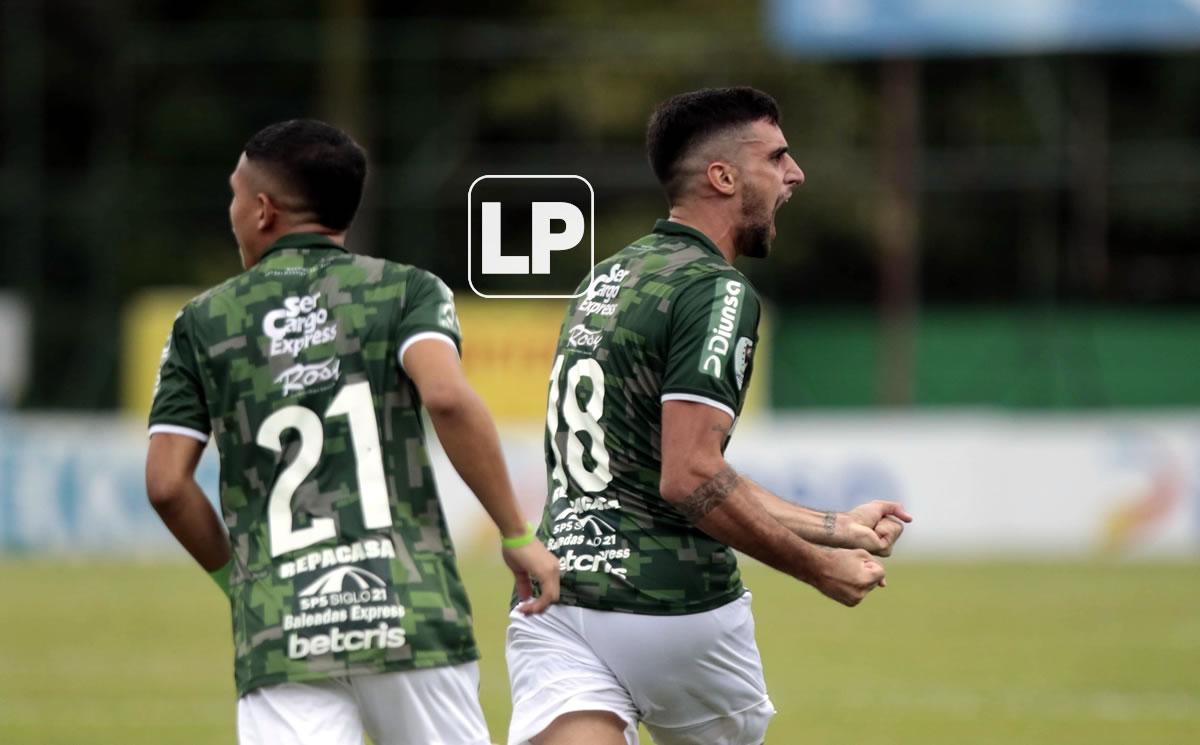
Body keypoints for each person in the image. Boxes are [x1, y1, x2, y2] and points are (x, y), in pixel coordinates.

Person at [505, 87, 913, 745]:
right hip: (668, 605)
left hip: (558, 594)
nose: (795, 173)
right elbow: (690, 476)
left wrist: (833, 525)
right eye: (777, 157)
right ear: (722, 176)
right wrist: (818, 564)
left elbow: (675, 465)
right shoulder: (717, 289)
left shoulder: (606, 277)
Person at [144, 119, 560, 745]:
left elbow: (167, 485)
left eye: (235, 194)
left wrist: (240, 583)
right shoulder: (406, 291)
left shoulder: (201, 322)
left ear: (262, 211)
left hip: (282, 624)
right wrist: (516, 531)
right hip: (409, 610)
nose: (231, 209)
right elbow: (445, 396)